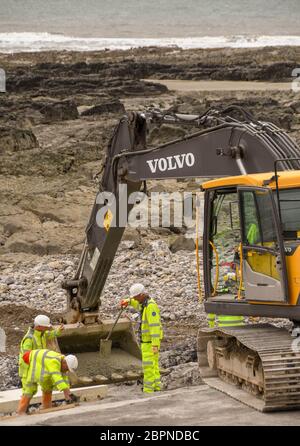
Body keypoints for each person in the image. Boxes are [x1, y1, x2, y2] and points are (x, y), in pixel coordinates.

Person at [120, 283, 163, 394]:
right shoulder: (144, 304)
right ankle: (157, 387)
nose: (134, 299)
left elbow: (155, 328)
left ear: (141, 295)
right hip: (147, 342)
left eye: (135, 297)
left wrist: (155, 345)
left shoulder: (150, 306)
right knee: (154, 366)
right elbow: (136, 304)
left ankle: (149, 390)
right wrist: (128, 301)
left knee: (148, 368)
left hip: (149, 343)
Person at [17, 349, 78, 415]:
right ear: (64, 362)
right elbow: (57, 378)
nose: (67, 371)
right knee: (30, 390)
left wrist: (68, 396)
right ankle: (21, 412)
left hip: (39, 367)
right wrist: (67, 392)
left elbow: (64, 379)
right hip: (29, 363)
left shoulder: (61, 361)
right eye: (67, 369)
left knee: (48, 387)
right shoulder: (53, 361)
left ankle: (47, 408)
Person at [18, 315, 63, 396]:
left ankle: (46, 406)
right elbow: (25, 356)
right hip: (27, 370)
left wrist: (58, 331)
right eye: (45, 327)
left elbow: (50, 334)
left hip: (37, 367)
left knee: (47, 388)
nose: (47, 328)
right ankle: (23, 408)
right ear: (39, 327)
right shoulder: (29, 339)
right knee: (28, 392)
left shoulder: (42, 334)